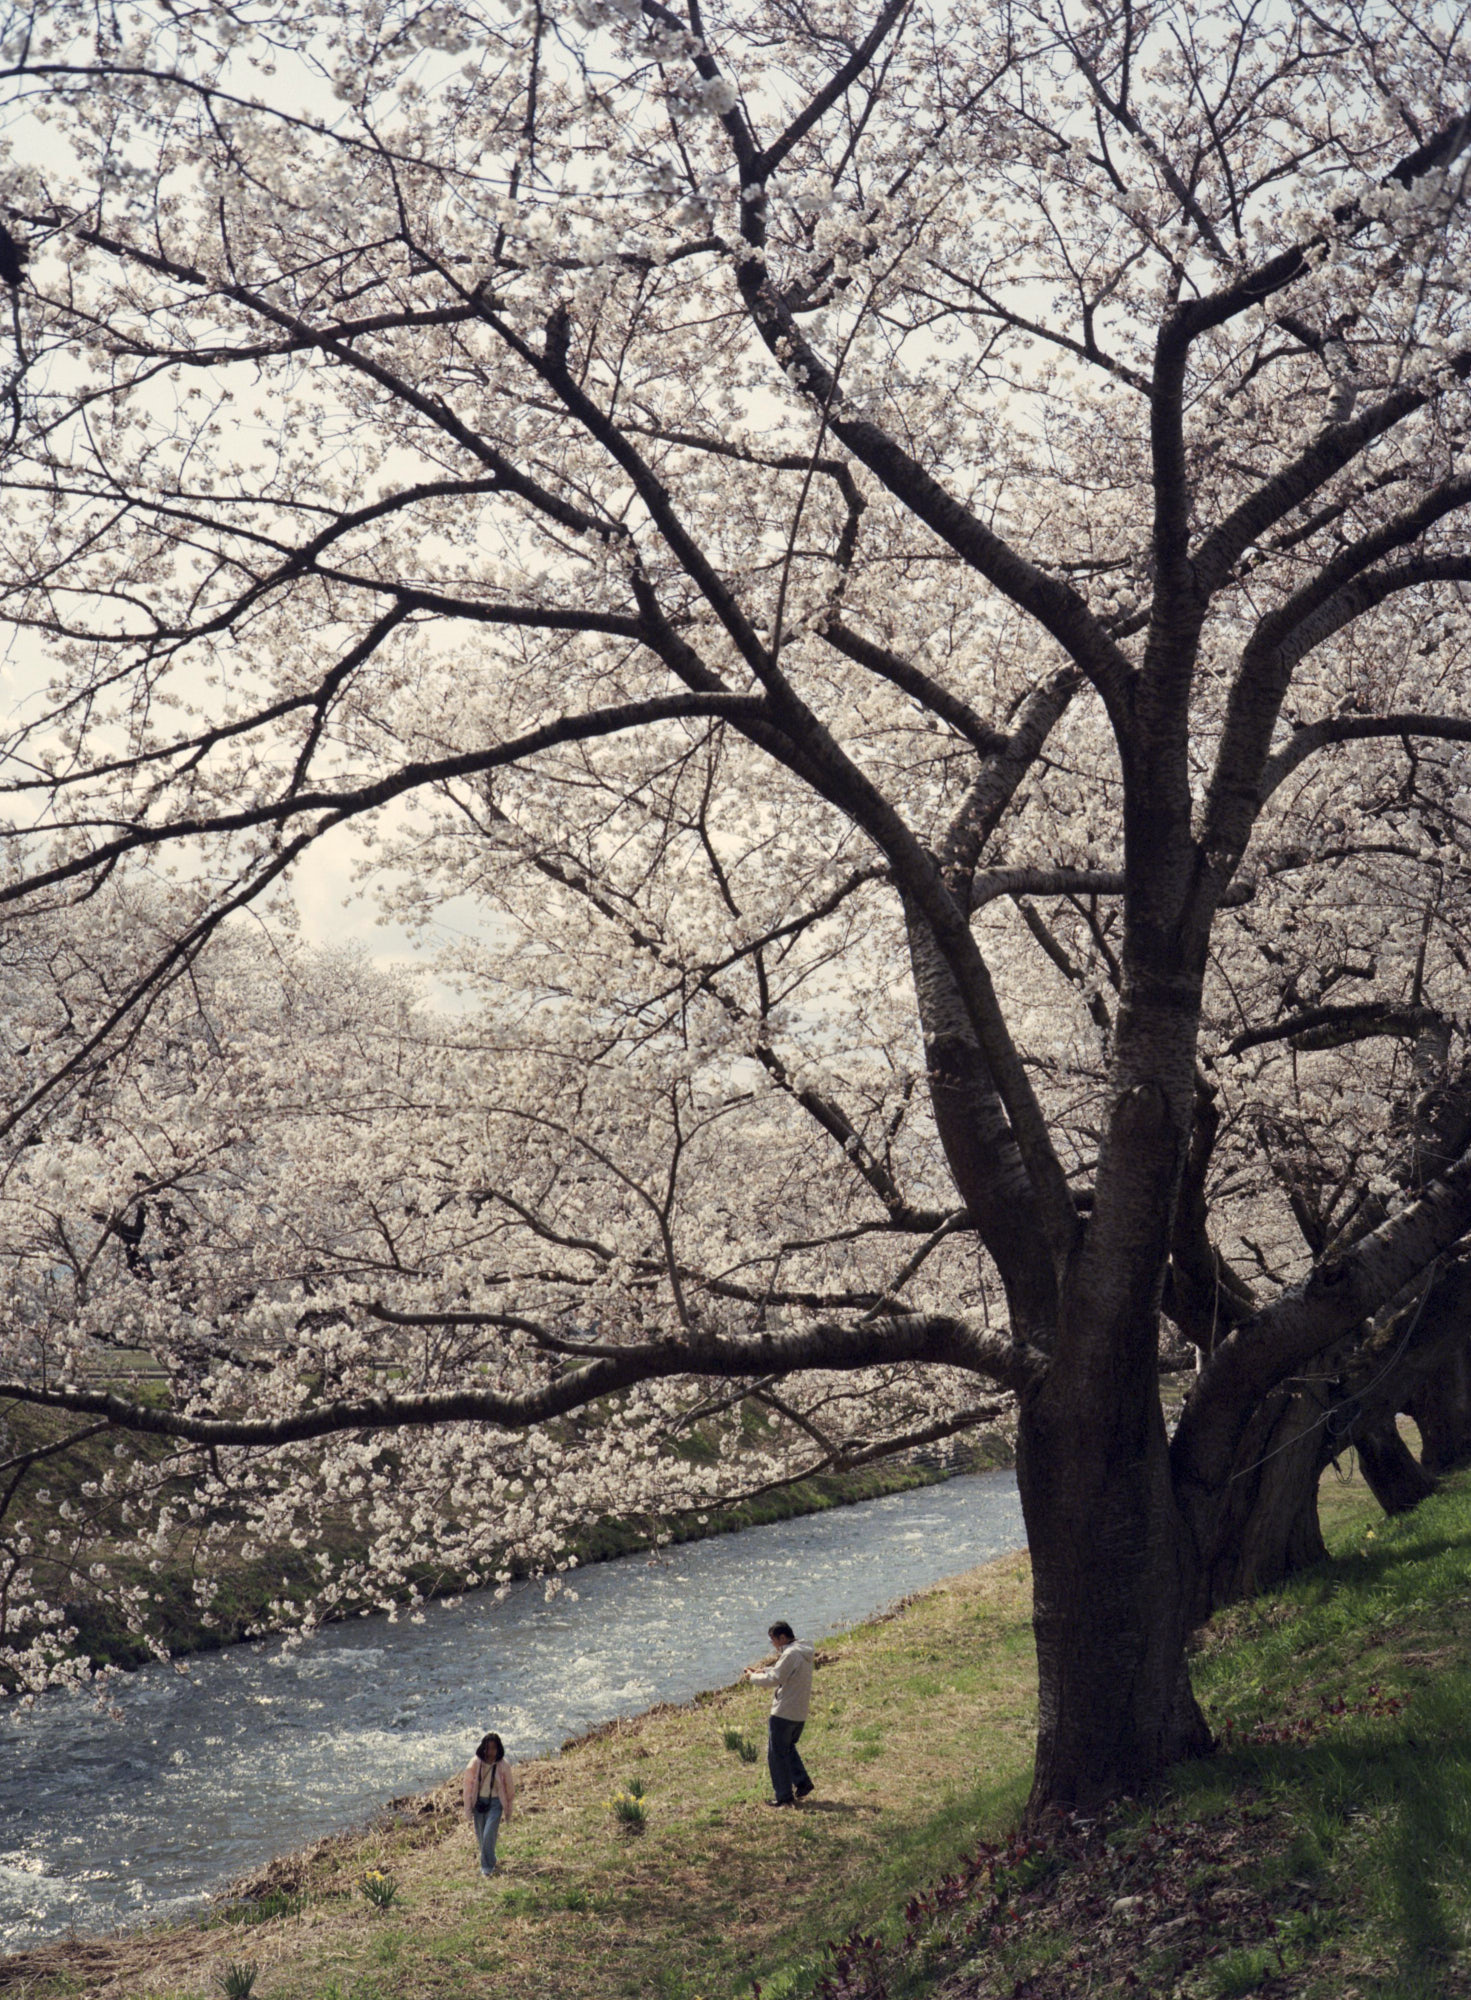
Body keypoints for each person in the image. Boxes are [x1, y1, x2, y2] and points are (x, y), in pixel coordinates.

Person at [744, 1620, 816, 1807]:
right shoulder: (802, 1651)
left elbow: (775, 1678)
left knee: (776, 1755)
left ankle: (784, 1796)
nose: (773, 1645)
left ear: (782, 1637)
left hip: (783, 1712)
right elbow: (783, 1672)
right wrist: (763, 1670)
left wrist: (752, 1677)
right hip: (799, 1712)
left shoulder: (790, 1653)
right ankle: (802, 1783)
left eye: (773, 1640)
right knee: (787, 1748)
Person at [462, 1731, 514, 1875]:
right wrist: (468, 1808)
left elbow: (509, 1787)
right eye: (488, 1748)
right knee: (481, 1837)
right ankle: (491, 1858)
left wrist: (508, 1809)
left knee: (489, 1833)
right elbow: (467, 1787)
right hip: (479, 1803)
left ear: (498, 1749)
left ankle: (487, 1867)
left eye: (493, 1748)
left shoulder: (503, 1765)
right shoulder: (475, 1763)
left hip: (496, 1803)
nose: (490, 1752)